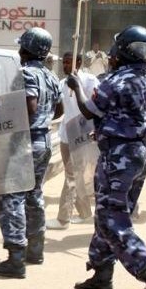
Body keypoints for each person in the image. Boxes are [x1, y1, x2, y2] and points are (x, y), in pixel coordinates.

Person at [67, 25, 146, 289]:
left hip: (118, 157)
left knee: (111, 218)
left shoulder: (116, 81)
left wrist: (77, 86)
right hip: (140, 155)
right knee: (108, 214)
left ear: (124, 50)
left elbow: (90, 111)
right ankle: (102, 276)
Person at [0, 27, 63, 279]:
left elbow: (29, 107)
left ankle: (15, 258)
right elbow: (60, 109)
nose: (19, 51)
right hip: (43, 142)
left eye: (21, 47)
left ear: (27, 49)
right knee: (34, 195)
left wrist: (3, 110)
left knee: (12, 196)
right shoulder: (51, 76)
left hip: (24, 142)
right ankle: (36, 250)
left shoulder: (26, 73)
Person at [46, 52, 98, 230]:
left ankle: (63, 218)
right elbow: (60, 110)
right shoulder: (62, 83)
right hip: (66, 136)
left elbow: (95, 107)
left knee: (71, 176)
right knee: (77, 177)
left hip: (82, 136)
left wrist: (78, 87)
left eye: (69, 62)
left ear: (79, 62)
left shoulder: (90, 81)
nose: (66, 66)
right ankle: (84, 213)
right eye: (64, 62)